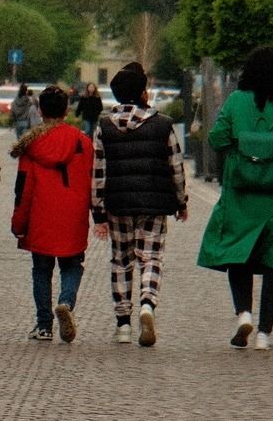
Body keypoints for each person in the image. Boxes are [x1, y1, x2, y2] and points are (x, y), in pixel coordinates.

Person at [197, 46, 273, 352]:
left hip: (240, 196)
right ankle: (264, 334)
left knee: (239, 255)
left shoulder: (236, 102)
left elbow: (216, 139)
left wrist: (240, 140)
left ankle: (244, 313)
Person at [90, 62, 188, 346]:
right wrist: (181, 201)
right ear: (143, 92)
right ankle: (147, 303)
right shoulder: (163, 124)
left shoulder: (105, 127)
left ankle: (123, 324)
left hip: (118, 203)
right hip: (155, 204)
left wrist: (98, 211)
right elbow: (176, 166)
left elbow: (98, 172)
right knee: (151, 258)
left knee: (121, 261)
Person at [12, 85, 92, 343]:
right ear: (67, 110)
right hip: (73, 215)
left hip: (41, 216)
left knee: (41, 270)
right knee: (72, 265)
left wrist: (19, 222)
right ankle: (66, 302)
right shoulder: (83, 142)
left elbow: (23, 188)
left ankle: (44, 325)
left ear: (40, 110)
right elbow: (93, 181)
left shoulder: (32, 144)